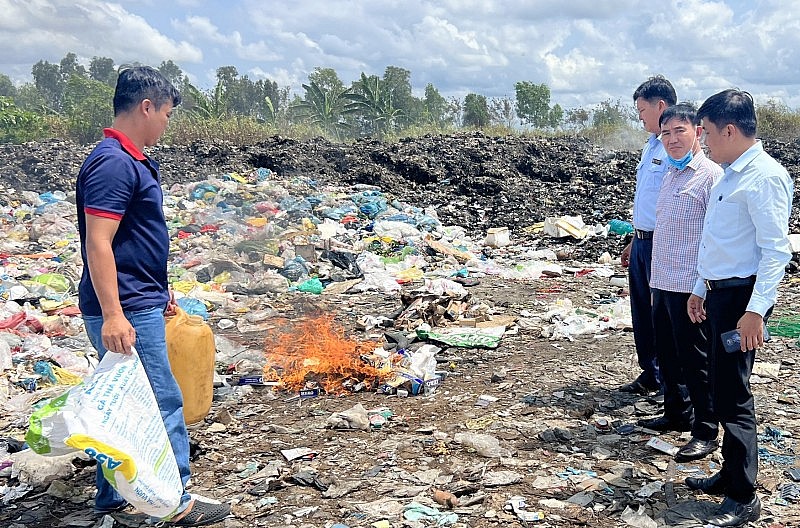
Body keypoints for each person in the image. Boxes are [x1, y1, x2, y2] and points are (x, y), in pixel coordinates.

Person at [77, 66, 230, 526]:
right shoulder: (113, 163)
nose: (166, 122)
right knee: (161, 400)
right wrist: (114, 314)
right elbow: (98, 241)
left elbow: (132, 239)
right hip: (124, 308)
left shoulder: (129, 159)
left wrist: (158, 291)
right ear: (146, 106)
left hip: (139, 300)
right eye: (165, 112)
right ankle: (173, 500)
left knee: (124, 402)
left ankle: (113, 499)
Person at [685, 89, 793, 527]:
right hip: (719, 293)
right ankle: (729, 475)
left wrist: (756, 310)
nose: (705, 142)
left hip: (742, 300)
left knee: (735, 395)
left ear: (729, 129)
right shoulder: (730, 174)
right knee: (719, 387)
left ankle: (745, 495)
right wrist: (699, 287)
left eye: (707, 133)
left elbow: (775, 251)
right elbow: (717, 241)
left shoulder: (764, 177)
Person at [636, 104, 721, 463]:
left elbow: (713, 238)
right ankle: (676, 413)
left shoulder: (710, 177)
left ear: (698, 133)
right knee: (667, 354)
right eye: (666, 133)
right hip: (663, 280)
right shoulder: (671, 173)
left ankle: (705, 429)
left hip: (690, 287)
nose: (672, 139)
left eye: (680, 132)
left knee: (695, 361)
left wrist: (702, 289)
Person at [618, 75, 676, 394]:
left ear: (661, 106)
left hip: (662, 244)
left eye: (642, 110)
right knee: (642, 311)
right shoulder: (650, 146)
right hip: (642, 241)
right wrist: (633, 239)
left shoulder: (674, 149)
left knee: (663, 314)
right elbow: (647, 201)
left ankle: (671, 381)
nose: (639, 117)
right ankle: (650, 374)